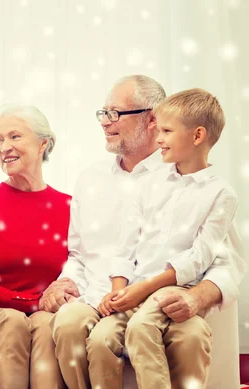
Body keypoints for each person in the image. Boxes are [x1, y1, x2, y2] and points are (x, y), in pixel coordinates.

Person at [45, 75, 245, 389]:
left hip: (162, 297)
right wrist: (66, 280)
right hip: (100, 294)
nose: (105, 122)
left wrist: (194, 298)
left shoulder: (186, 177)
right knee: (68, 325)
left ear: (151, 119)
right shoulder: (90, 179)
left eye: (115, 113)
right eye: (103, 113)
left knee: (183, 334)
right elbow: (77, 253)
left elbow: (225, 263)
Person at [99, 88, 243, 388]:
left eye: (166, 130)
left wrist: (147, 288)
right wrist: (121, 289)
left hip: (173, 289)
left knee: (140, 329)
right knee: (104, 338)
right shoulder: (148, 183)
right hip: (140, 286)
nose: (159, 138)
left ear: (198, 136)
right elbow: (125, 244)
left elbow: (202, 257)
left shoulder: (221, 194)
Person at [0, 104, 70, 389]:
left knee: (47, 325)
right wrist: (30, 302)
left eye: (14, 137)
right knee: (13, 321)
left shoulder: (70, 206)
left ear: (43, 143)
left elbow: (83, 267)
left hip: (47, 312)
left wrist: (58, 297)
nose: (4, 147)